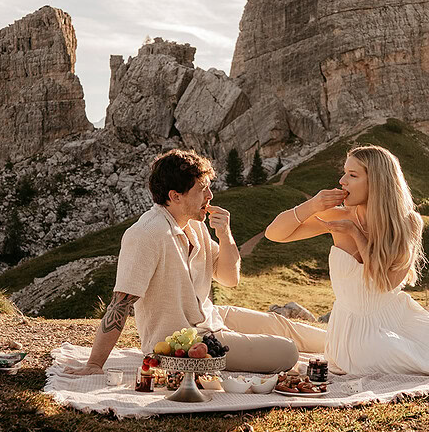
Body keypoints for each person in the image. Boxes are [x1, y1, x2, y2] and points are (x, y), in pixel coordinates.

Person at [65, 149, 325, 375]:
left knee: (280, 325)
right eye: (202, 189)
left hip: (210, 317)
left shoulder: (194, 226)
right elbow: (119, 306)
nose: (210, 195)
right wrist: (95, 364)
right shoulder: (145, 235)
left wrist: (225, 235)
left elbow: (229, 278)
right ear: (175, 196)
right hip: (184, 340)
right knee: (286, 352)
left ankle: (353, 346)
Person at [265, 144, 429, 377]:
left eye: (352, 175)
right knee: (375, 352)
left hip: (396, 315)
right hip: (354, 328)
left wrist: (357, 235)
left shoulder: (408, 224)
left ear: (376, 182)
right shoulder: (338, 216)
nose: (342, 181)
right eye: (344, 172)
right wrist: (312, 206)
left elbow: (385, 284)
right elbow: (275, 234)